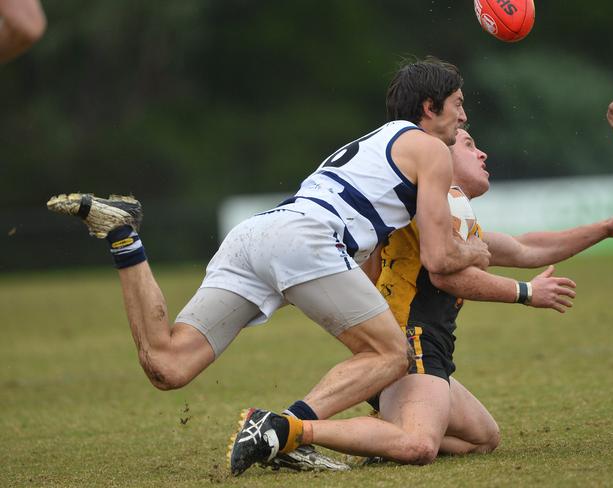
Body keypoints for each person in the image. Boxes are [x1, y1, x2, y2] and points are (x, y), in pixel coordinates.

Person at [46, 56, 491, 476]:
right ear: (430, 107)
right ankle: (285, 433)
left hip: (257, 232)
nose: (464, 116)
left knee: (168, 365)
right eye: (458, 105)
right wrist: (476, 251)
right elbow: (440, 258)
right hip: (306, 240)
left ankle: (124, 236)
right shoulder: (430, 149)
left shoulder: (375, 142)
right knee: (391, 354)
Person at [253, 128, 613, 468]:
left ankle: (380, 439)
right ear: (440, 157)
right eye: (468, 144)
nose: (482, 153)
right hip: (409, 345)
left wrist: (606, 229)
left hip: (428, 346)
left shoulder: (448, 216)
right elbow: (446, 276)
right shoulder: (435, 200)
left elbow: (527, 247)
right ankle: (285, 430)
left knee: (482, 438)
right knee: (420, 445)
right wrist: (527, 292)